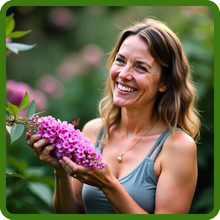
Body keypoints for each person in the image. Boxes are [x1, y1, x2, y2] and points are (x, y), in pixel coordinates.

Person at [26, 18, 200, 214]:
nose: (124, 74)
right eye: (120, 60)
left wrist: (108, 184)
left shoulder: (178, 147)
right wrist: (59, 170)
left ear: (165, 83)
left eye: (141, 67)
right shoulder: (94, 131)